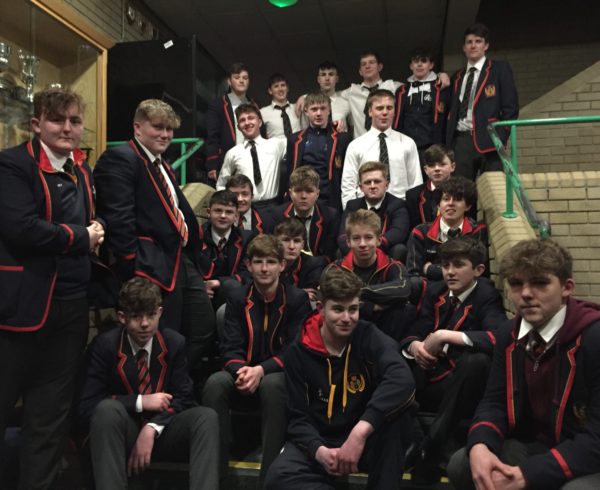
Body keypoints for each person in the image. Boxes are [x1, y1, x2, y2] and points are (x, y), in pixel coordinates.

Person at [0, 87, 104, 490]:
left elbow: (88, 223)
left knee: (48, 422)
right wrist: (82, 236)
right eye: (57, 120)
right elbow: (21, 228)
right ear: (36, 124)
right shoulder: (12, 165)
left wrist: (97, 229)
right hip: (18, 312)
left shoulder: (83, 171)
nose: (67, 128)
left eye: (74, 121)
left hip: (70, 309)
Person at [447, 239, 600, 490]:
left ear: (567, 287)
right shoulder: (508, 334)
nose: (526, 293)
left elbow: (596, 437)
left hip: (589, 452)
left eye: (540, 283)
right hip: (539, 445)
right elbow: (494, 402)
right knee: (463, 464)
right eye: (516, 284)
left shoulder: (593, 337)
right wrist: (480, 444)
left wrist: (527, 474)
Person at [94, 98, 215, 383]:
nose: (165, 134)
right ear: (138, 127)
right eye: (158, 127)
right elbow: (118, 220)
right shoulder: (120, 157)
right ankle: (153, 396)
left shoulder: (160, 163)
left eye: (169, 129)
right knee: (160, 337)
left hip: (180, 259)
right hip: (151, 266)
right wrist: (134, 265)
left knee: (202, 327)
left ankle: (173, 386)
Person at [265, 267, 416, 490]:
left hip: (364, 436)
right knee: (278, 477)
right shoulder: (299, 350)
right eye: (338, 309)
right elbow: (298, 418)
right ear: (320, 309)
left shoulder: (368, 335)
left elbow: (402, 378)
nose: (347, 318)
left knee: (396, 421)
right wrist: (318, 450)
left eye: (353, 309)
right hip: (321, 438)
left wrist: (360, 432)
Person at [79, 277, 219, 490]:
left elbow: (184, 398)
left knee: (206, 417)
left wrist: (152, 428)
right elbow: (88, 406)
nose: (145, 323)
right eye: (136, 317)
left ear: (160, 313)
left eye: (151, 315)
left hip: (163, 431)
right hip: (122, 433)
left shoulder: (174, 342)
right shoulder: (105, 346)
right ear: (122, 317)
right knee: (106, 410)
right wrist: (140, 402)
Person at [202, 235, 312, 487]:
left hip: (277, 375)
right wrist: (242, 371)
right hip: (243, 372)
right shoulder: (237, 298)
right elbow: (229, 347)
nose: (264, 268)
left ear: (282, 265)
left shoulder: (296, 300)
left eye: (271, 262)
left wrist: (260, 370)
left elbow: (296, 350)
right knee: (215, 383)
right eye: (258, 262)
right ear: (249, 266)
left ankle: (269, 479)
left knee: (274, 385)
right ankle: (216, 476)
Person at [400, 238, 506, 471]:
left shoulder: (486, 294)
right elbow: (416, 328)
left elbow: (498, 337)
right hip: (429, 372)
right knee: (393, 361)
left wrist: (444, 336)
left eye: (458, 265)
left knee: (478, 361)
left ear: (478, 270)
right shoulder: (435, 291)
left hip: (461, 380)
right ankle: (411, 439)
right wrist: (415, 346)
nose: (449, 272)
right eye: (445, 265)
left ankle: (432, 443)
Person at [446, 23, 519, 181]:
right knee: (461, 188)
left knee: (493, 186)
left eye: (478, 41)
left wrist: (501, 135)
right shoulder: (457, 76)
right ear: (464, 47)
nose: (473, 45)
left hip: (490, 138)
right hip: (461, 141)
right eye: (469, 42)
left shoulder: (499, 69)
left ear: (486, 45)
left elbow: (511, 107)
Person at [336, 209, 415, 341]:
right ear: (348, 242)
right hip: (349, 331)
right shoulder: (336, 269)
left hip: (385, 330)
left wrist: (357, 292)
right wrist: (370, 307)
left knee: (404, 309)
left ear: (379, 240)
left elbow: (404, 289)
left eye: (368, 237)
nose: (362, 244)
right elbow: (328, 297)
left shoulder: (393, 266)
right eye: (356, 238)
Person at [341, 89, 422, 208]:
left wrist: (413, 211)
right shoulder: (356, 146)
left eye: (389, 108)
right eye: (379, 108)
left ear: (394, 111)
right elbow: (348, 185)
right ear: (370, 111)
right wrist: (351, 212)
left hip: (401, 207)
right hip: (365, 209)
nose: (385, 112)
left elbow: (416, 183)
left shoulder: (407, 143)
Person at [407, 176, 487, 283]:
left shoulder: (477, 231)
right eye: (446, 199)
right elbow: (413, 274)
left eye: (457, 199)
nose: (450, 203)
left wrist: (431, 270)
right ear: (438, 205)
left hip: (465, 287)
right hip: (430, 287)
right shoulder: (420, 232)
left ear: (467, 206)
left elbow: (476, 272)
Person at [286, 91, 351, 210]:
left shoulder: (342, 138)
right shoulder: (294, 140)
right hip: (303, 198)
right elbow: (290, 172)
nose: (319, 113)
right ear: (306, 111)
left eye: (323, 108)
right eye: (314, 109)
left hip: (331, 199)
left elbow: (347, 174)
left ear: (329, 110)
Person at [216, 103, 286, 208]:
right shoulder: (233, 153)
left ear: (260, 122)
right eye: (242, 120)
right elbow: (221, 184)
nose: (247, 123)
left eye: (251, 118)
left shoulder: (276, 145)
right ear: (238, 127)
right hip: (245, 208)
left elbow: (299, 140)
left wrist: (304, 97)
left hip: (273, 206)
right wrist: (227, 205)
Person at [338, 161, 410, 261]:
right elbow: (343, 236)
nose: (372, 186)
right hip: (357, 253)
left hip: (385, 253)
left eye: (377, 181)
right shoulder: (352, 206)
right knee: (339, 252)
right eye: (367, 182)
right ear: (361, 187)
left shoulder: (397, 205)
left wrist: (370, 248)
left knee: (399, 249)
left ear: (386, 185)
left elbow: (398, 233)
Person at [393, 47, 451, 161]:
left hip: (434, 148)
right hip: (406, 148)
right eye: (416, 61)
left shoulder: (441, 87)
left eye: (424, 61)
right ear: (411, 66)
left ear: (431, 65)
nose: (419, 64)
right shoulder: (402, 91)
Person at [206, 62, 260, 181]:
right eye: (237, 77)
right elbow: (213, 136)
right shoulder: (218, 105)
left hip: (253, 158)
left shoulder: (254, 105)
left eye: (245, 78)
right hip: (229, 160)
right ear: (229, 82)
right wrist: (212, 164)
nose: (241, 81)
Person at [271, 166, 339, 260]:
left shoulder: (330, 216)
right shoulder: (277, 215)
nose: (303, 196)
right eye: (298, 190)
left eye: (309, 191)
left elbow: (329, 254)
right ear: (290, 193)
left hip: (318, 265)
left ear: (317, 194)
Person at [198, 190, 252, 308]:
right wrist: (201, 286)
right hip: (201, 295)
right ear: (209, 212)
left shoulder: (246, 239)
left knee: (232, 286)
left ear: (236, 216)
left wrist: (220, 282)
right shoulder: (196, 237)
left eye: (229, 212)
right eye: (218, 210)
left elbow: (248, 273)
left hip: (234, 296)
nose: (223, 216)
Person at [274, 218, 329, 302]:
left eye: (296, 241)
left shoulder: (315, 264)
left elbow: (311, 297)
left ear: (302, 245)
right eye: (286, 240)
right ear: (276, 242)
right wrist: (299, 293)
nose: (291, 246)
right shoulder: (267, 262)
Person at [405, 144, 456, 231]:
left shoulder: (465, 191)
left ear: (453, 167)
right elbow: (413, 230)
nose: (437, 169)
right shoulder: (413, 195)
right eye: (432, 165)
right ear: (425, 170)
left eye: (442, 164)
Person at [260, 73, 304, 139]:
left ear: (287, 88)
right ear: (270, 91)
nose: (280, 89)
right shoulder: (262, 112)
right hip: (275, 145)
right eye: (276, 86)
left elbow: (316, 98)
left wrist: (303, 97)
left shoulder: (297, 107)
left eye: (283, 85)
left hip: (298, 145)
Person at [315, 60, 350, 131]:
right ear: (318, 79)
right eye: (323, 75)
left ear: (337, 79)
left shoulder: (346, 103)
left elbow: (353, 127)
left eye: (331, 74)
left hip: (341, 137)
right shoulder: (310, 104)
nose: (327, 78)